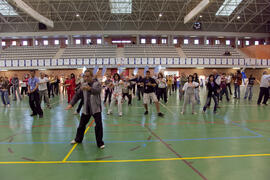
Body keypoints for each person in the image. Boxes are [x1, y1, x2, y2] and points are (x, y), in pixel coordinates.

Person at [65, 69, 105, 149]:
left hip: (96, 109)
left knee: (98, 126)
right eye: (85, 76)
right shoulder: (83, 84)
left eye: (88, 76)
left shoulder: (97, 84)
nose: (86, 78)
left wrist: (89, 89)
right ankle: (78, 139)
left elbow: (98, 91)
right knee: (81, 125)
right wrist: (71, 104)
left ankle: (100, 143)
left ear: (92, 76)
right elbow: (77, 95)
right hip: (86, 108)